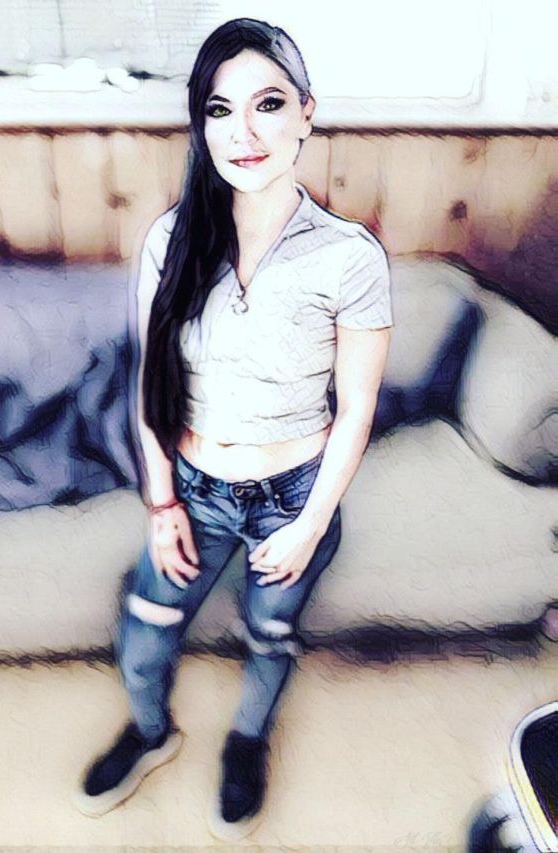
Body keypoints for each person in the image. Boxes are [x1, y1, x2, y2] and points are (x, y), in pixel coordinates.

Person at [73, 17, 393, 840]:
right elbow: (152, 381)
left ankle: (247, 742)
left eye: (268, 104)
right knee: (145, 630)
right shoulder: (171, 239)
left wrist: (310, 523)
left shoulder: (349, 257)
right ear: (201, 123)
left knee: (271, 633)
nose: (243, 132)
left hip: (294, 495)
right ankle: (152, 732)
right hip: (193, 489)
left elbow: (357, 408)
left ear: (306, 114)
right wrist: (162, 502)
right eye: (220, 109)